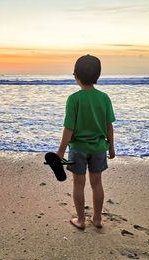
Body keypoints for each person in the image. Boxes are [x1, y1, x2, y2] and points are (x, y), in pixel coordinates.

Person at [56, 55, 115, 229]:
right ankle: (97, 219)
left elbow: (69, 128)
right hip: (98, 148)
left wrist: (60, 151)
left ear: (76, 76)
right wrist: (111, 148)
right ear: (98, 76)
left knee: (78, 184)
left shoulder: (74, 99)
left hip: (78, 148)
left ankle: (81, 220)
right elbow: (109, 126)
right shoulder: (104, 98)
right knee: (97, 183)